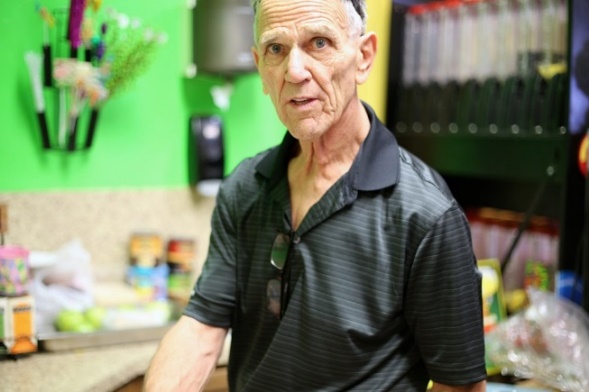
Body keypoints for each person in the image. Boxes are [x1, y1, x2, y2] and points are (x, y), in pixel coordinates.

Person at [144, 0, 487, 390]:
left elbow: (459, 384)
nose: (294, 71)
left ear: (363, 56)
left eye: (319, 43)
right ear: (260, 67)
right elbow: (202, 327)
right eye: (276, 49)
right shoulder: (244, 187)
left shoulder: (425, 214)